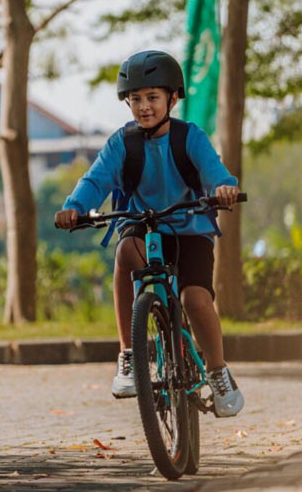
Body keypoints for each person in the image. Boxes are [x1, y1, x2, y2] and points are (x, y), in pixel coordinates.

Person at [54, 50, 244, 418]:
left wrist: (223, 188)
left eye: (153, 98)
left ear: (172, 99)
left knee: (194, 299)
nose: (144, 107)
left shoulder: (190, 138)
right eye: (135, 99)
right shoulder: (122, 144)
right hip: (142, 224)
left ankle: (219, 371)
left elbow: (213, 170)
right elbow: (95, 180)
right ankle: (128, 353)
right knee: (125, 250)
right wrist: (75, 206)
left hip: (190, 229)